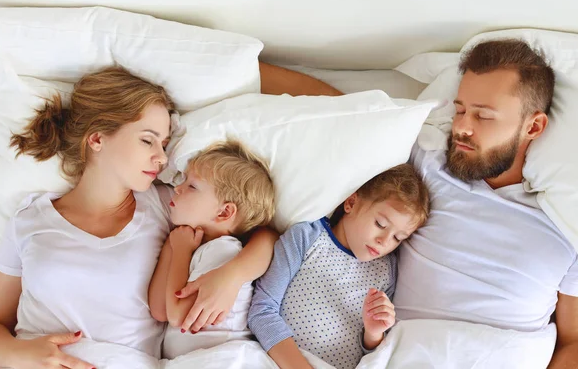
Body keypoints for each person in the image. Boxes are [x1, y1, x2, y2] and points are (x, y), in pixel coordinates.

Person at [261, 40, 578, 368]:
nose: (462, 128)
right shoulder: (428, 172)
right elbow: (342, 110)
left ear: (533, 126)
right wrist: (248, 69)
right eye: (460, 110)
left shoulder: (565, 224)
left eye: (483, 116)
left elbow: (573, 342)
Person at [0, 67, 278, 368]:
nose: (162, 157)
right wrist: (18, 353)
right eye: (148, 141)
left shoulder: (167, 206)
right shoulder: (31, 219)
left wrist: (234, 275)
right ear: (97, 139)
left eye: (163, 144)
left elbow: (263, 234)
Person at [248, 164, 430, 369]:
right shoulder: (307, 238)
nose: (384, 241)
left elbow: (372, 353)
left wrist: (373, 334)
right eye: (380, 224)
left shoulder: (386, 271)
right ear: (351, 203)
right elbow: (262, 312)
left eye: (398, 237)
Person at [147, 140, 275, 358]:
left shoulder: (223, 251)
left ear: (224, 212)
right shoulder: (196, 248)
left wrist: (180, 252)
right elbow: (160, 310)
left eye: (192, 186)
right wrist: (173, 248)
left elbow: (178, 315)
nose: (177, 188)